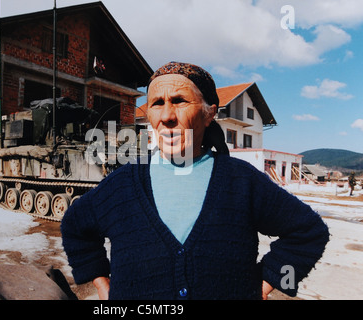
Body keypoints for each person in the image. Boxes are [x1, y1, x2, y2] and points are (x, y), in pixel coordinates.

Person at [61, 61, 330, 300]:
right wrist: (100, 283)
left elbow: (310, 232)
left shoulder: (242, 181)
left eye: (179, 101)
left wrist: (269, 284)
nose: (166, 116)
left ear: (209, 112)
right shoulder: (122, 184)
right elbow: (74, 225)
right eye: (157, 103)